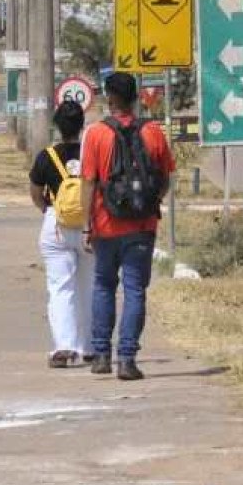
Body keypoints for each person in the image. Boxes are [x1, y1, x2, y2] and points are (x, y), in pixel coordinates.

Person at [78, 72, 176, 380]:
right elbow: (167, 178)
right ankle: (127, 360)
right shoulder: (153, 132)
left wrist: (86, 225)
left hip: (106, 225)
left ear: (110, 98)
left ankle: (101, 356)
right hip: (141, 227)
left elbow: (88, 183)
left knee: (104, 285)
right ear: (135, 98)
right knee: (135, 290)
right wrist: (149, 202)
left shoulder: (95, 134)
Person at [29, 99, 91, 368]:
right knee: (89, 288)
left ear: (57, 125)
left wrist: (50, 211)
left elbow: (35, 193)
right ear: (82, 125)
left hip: (57, 224)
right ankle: (89, 347)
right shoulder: (93, 154)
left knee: (60, 287)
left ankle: (63, 347)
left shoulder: (47, 156)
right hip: (91, 225)